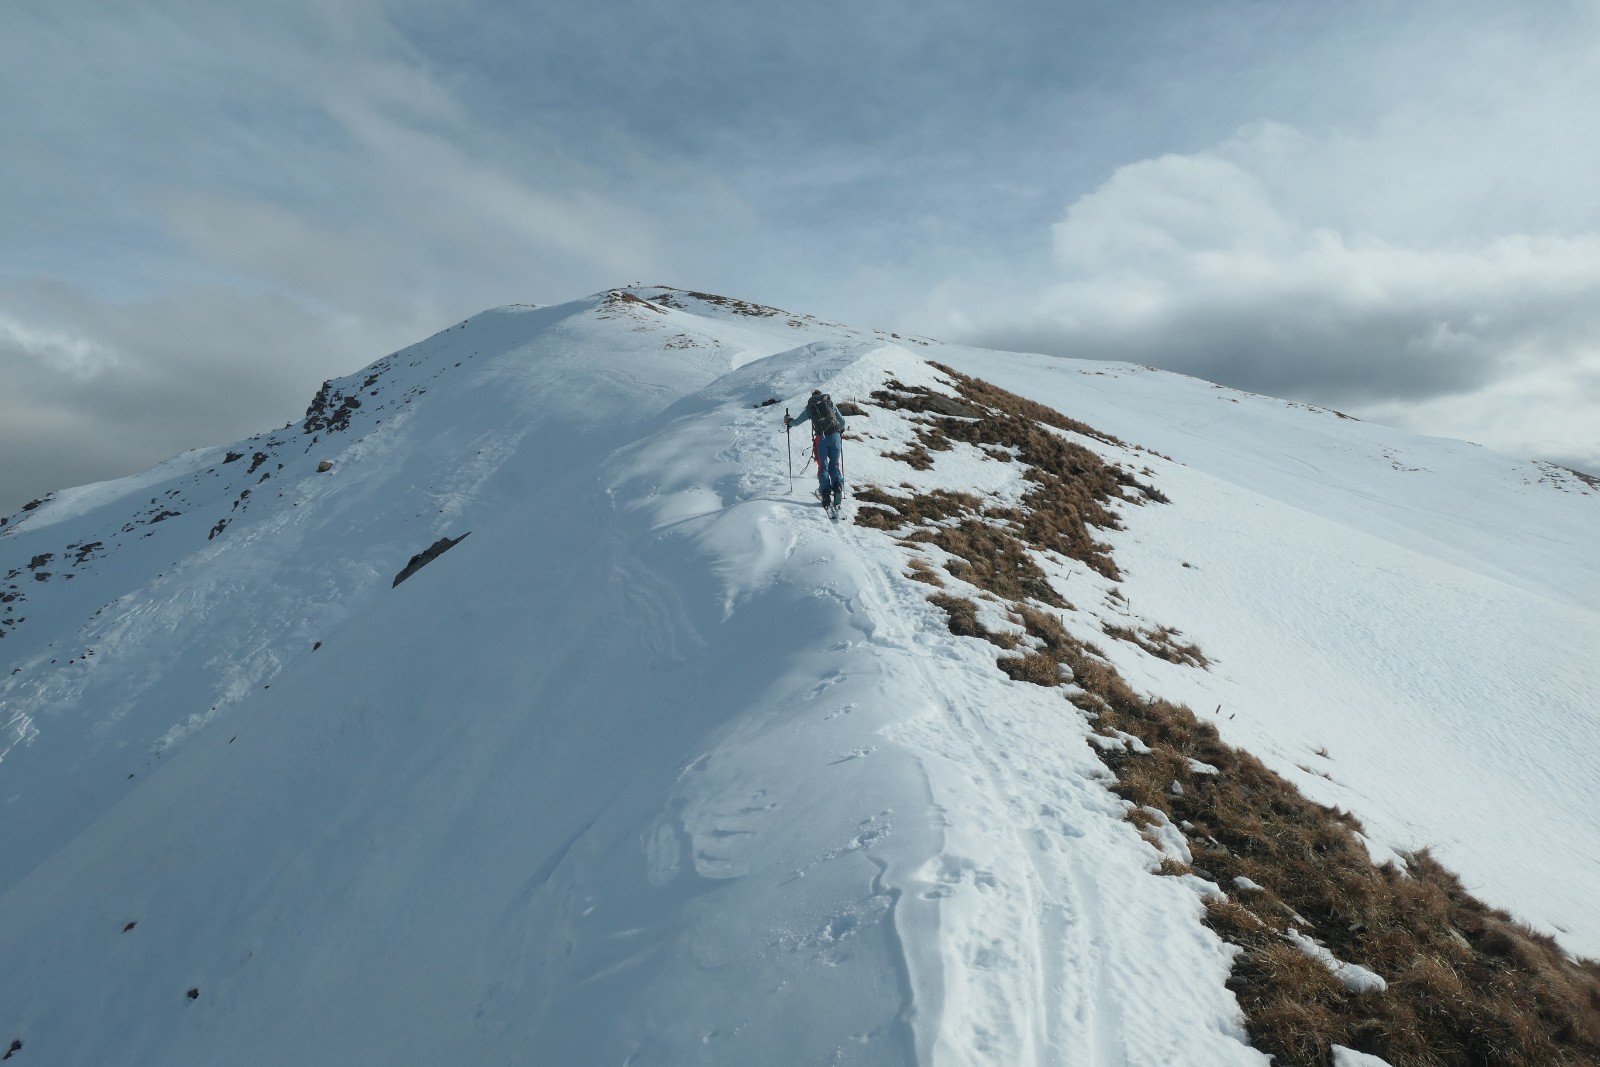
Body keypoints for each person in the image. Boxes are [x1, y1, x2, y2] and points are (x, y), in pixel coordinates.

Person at [786, 389, 846, 508]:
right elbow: (842, 422)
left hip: (821, 439)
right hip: (835, 437)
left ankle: (826, 493)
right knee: (834, 465)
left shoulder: (810, 408)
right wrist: (840, 430)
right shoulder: (830, 404)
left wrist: (788, 421)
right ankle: (837, 486)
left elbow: (796, 422)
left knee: (823, 466)